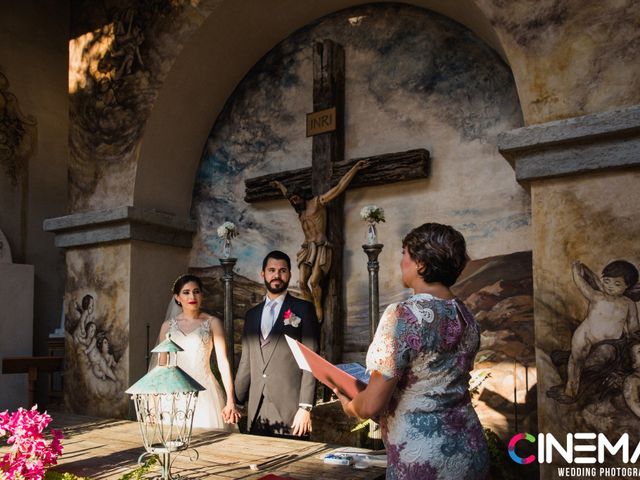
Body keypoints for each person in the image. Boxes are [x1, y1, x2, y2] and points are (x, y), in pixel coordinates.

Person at [333, 223, 489, 479]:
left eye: (404, 253)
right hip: (470, 449)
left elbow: (371, 405)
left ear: (421, 264)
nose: (401, 260)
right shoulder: (465, 314)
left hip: (423, 460)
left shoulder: (403, 315)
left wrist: (350, 406)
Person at [234, 250, 319, 437]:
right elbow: (246, 362)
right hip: (257, 407)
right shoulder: (251, 315)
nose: (277, 275)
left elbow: (310, 360)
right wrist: (236, 402)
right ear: (263, 274)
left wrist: (305, 407)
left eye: (282, 270)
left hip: (291, 409)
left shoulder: (303, 309)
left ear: (289, 274)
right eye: (271, 270)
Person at [271, 159, 368, 322]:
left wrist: (355, 168)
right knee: (302, 283)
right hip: (307, 249)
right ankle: (309, 310)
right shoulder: (299, 211)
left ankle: (317, 307)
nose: (293, 202)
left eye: (295, 198)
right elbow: (286, 192)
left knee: (314, 281)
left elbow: (338, 188)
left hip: (321, 247)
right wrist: (279, 185)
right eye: (292, 200)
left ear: (301, 196)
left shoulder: (317, 202)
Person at [155, 274, 240, 430]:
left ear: (202, 295)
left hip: (205, 391)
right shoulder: (167, 327)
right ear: (177, 297)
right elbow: (162, 367)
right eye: (186, 292)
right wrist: (155, 401)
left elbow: (223, 362)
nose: (192, 296)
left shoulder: (212, 323)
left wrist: (230, 400)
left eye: (196, 291)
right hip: (174, 393)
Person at [564, 260, 640, 398]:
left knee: (596, 362)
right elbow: (582, 284)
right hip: (586, 335)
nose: (610, 286)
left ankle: (584, 380)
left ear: (627, 286)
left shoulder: (628, 303)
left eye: (617, 284)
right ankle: (571, 390)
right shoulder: (597, 296)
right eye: (607, 281)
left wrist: (633, 338)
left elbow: (633, 325)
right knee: (576, 359)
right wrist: (577, 271)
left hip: (611, 343)